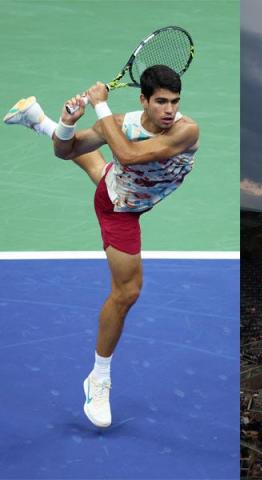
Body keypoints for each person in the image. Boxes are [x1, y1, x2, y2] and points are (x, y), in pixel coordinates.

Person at [4, 65, 199, 429]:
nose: (169, 110)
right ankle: (99, 378)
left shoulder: (187, 130)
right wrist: (67, 123)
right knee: (127, 292)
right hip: (119, 208)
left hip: (125, 182)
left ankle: (35, 119)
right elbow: (66, 151)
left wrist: (96, 109)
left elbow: (127, 156)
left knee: (100, 168)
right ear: (143, 100)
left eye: (174, 102)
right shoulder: (120, 123)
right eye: (160, 102)